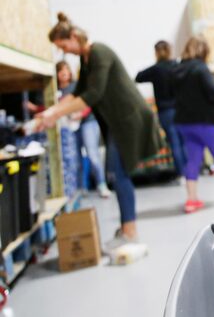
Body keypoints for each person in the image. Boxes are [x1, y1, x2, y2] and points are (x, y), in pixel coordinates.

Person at [35, 13, 161, 255]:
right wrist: (51, 112)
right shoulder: (86, 59)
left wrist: (55, 115)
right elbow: (79, 91)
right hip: (116, 123)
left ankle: (130, 232)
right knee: (116, 174)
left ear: (73, 37)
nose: (64, 52)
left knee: (119, 174)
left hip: (128, 120)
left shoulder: (99, 52)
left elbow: (92, 95)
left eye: (63, 46)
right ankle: (127, 229)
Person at [172, 35, 214, 213]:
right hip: (206, 123)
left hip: (184, 123)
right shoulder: (200, 69)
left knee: (193, 160)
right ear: (204, 51)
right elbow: (212, 90)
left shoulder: (177, 69)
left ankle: (191, 200)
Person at [55, 60, 109, 198]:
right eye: (61, 70)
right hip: (69, 127)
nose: (64, 73)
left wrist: (80, 114)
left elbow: (88, 102)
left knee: (92, 154)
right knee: (75, 158)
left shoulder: (77, 86)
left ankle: (101, 184)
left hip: (87, 122)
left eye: (66, 69)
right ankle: (81, 188)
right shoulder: (56, 91)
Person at [136, 40, 187, 178]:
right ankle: (191, 173)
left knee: (174, 142)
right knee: (183, 141)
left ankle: (181, 174)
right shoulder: (177, 65)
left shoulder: (156, 69)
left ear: (156, 52)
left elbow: (138, 77)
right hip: (180, 108)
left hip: (165, 111)